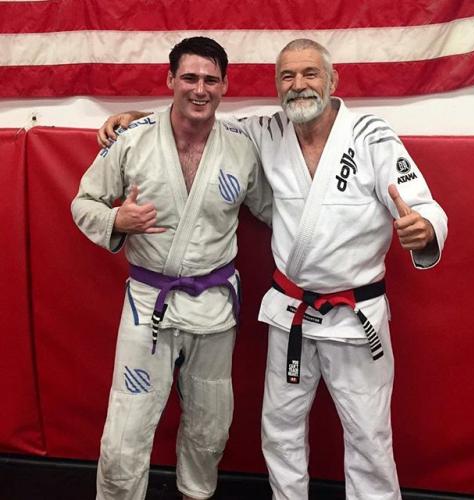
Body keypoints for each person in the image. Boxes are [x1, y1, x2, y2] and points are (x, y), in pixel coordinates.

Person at [97, 39, 447, 500]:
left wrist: (425, 227)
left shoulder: (371, 135)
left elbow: (421, 204)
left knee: (369, 434)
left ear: (332, 79)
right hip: (290, 312)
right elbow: (197, 116)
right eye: (287, 76)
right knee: (280, 430)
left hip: (354, 318)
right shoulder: (265, 130)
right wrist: (135, 119)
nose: (299, 85)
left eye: (310, 73)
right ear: (277, 85)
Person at [72, 36, 271, 500]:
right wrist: (116, 221)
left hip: (214, 304)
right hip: (148, 302)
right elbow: (83, 203)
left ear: (225, 85)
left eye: (210, 80)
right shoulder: (132, 139)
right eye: (189, 78)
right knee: (127, 425)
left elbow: (274, 210)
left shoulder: (242, 146)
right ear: (170, 80)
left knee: (210, 422)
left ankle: (195, 494)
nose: (200, 89)